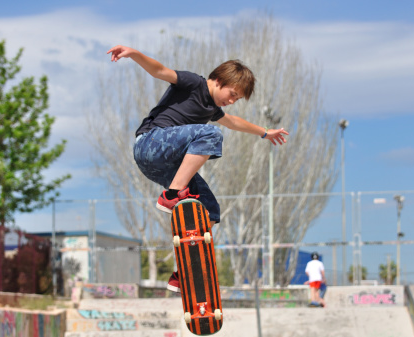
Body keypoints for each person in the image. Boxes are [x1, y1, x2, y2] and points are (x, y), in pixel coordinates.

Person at [107, 45, 289, 293]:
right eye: (232, 94)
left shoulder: (213, 109)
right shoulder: (194, 83)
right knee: (211, 133)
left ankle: (182, 270)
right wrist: (133, 53)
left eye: (236, 99)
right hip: (149, 144)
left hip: (166, 167)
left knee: (209, 211)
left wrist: (265, 132)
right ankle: (171, 195)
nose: (232, 101)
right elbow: (159, 70)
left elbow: (234, 122)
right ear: (218, 80)